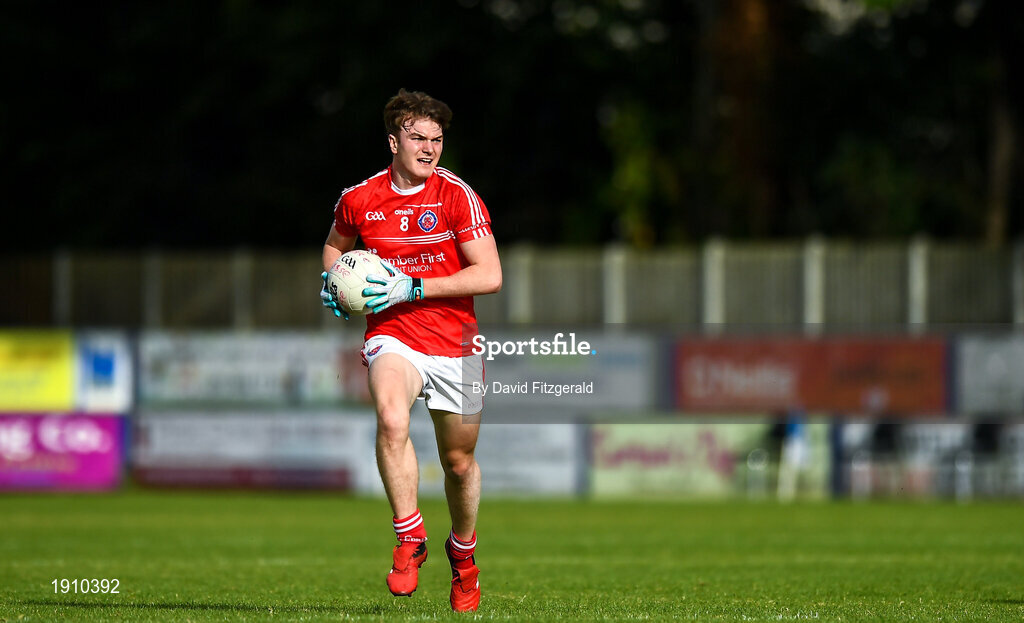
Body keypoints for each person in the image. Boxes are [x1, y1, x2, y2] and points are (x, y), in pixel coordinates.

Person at [319, 89, 501, 613]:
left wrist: (414, 286)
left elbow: (489, 275)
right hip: (393, 336)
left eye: (437, 140)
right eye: (418, 138)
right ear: (393, 141)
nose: (429, 148)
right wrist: (331, 281)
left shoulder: (455, 197)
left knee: (459, 462)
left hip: (455, 343)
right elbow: (336, 245)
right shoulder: (360, 199)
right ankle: (409, 536)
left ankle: (463, 556)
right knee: (391, 418)